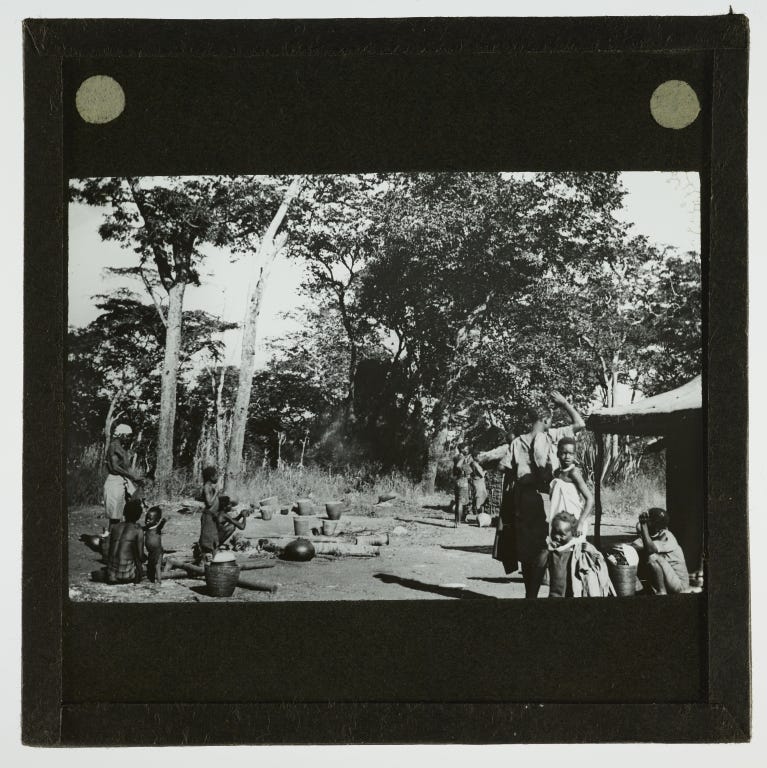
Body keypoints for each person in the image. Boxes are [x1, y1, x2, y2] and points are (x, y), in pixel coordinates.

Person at [491, 391, 586, 597]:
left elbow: (505, 471)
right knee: (544, 545)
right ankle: (540, 593)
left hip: (522, 499)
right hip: (544, 498)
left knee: (526, 549)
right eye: (550, 419)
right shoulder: (550, 436)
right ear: (545, 419)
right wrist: (565, 403)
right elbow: (580, 424)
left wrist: (508, 507)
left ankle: (530, 594)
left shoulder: (517, 442)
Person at [546, 511, 614, 598]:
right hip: (555, 594)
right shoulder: (551, 550)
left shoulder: (578, 551)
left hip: (573, 593)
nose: (556, 536)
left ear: (573, 533)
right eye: (554, 532)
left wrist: (591, 552)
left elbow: (598, 562)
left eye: (562, 535)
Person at [632, 508, 690, 595]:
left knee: (652, 557)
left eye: (648, 520)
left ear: (653, 524)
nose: (645, 521)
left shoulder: (668, 536)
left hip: (680, 585)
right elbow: (634, 546)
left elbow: (650, 549)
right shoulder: (650, 536)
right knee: (639, 555)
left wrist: (643, 525)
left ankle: (661, 591)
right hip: (669, 580)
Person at [196, 466, 245, 560]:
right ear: (211, 477)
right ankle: (202, 560)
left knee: (213, 540)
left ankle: (214, 560)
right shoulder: (206, 487)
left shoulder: (210, 487)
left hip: (212, 517)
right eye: (216, 476)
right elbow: (209, 503)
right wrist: (216, 493)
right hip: (208, 517)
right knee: (207, 539)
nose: (217, 478)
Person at [549, 436, 594, 537]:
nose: (567, 456)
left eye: (571, 453)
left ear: (574, 455)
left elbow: (590, 499)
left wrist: (580, 523)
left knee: (573, 550)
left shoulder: (574, 473)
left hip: (573, 521)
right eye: (564, 453)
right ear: (557, 454)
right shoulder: (557, 473)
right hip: (559, 520)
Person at [103, 423, 143, 533]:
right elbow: (114, 467)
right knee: (115, 517)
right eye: (127, 435)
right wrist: (132, 476)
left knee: (126, 512)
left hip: (122, 480)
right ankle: (111, 541)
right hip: (114, 482)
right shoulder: (114, 446)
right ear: (122, 435)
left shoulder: (120, 447)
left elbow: (124, 466)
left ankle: (121, 539)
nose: (128, 438)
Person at [106, 498, 144, 584]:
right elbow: (140, 556)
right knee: (142, 565)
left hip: (110, 572)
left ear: (124, 512)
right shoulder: (138, 530)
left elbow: (108, 549)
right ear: (138, 516)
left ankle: (113, 575)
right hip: (126, 575)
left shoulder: (114, 527)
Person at [143, 506, 167, 585]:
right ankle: (151, 579)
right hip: (151, 551)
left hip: (158, 551)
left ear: (156, 521)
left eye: (150, 519)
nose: (147, 520)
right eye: (146, 518)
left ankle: (159, 581)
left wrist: (163, 521)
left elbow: (161, 525)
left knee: (157, 566)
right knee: (151, 565)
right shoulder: (146, 528)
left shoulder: (157, 528)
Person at [452, 443, 472, 528]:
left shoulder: (455, 457)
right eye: (466, 449)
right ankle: (458, 522)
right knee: (460, 503)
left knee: (457, 502)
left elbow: (454, 468)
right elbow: (458, 466)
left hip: (457, 480)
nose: (467, 450)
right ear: (462, 449)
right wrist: (463, 471)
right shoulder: (462, 457)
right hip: (462, 480)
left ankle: (457, 521)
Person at [468, 447, 489, 513]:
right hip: (478, 481)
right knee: (479, 496)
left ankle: (476, 509)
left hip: (478, 481)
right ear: (474, 457)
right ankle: (476, 510)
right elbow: (482, 474)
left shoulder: (473, 463)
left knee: (481, 495)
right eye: (478, 456)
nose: (479, 457)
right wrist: (485, 471)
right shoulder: (475, 464)